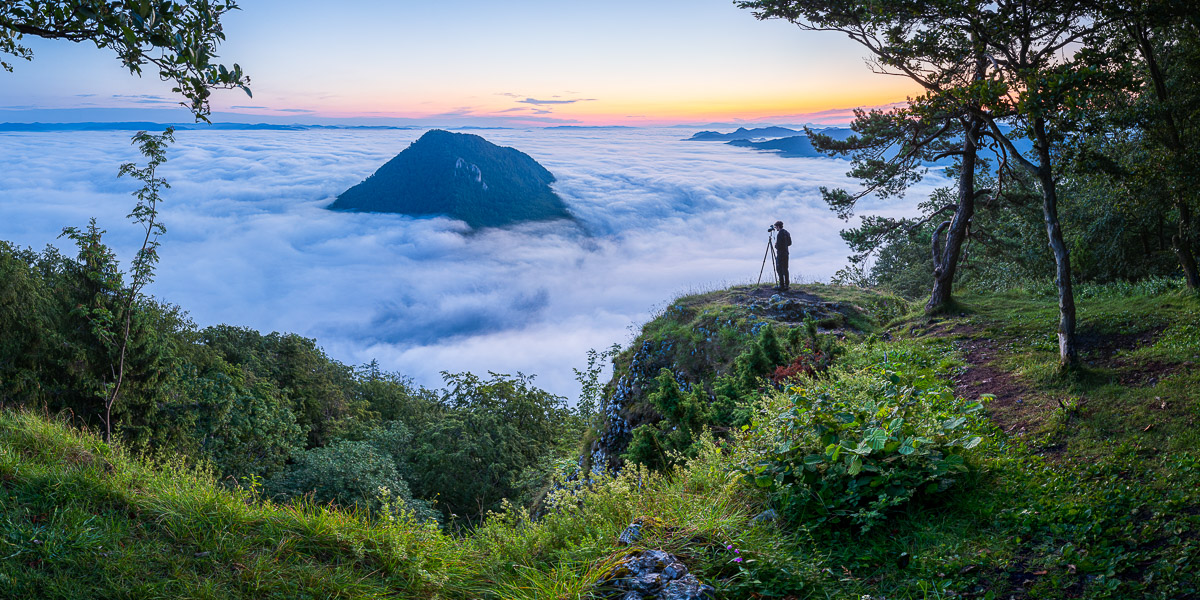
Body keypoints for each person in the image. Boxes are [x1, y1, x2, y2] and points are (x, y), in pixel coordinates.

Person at [773, 220, 791, 290]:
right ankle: (786, 284)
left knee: (779, 268)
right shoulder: (787, 233)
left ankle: (781, 285)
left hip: (780, 254)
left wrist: (775, 245)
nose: (775, 229)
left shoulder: (780, 234)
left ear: (778, 226)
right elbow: (790, 243)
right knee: (785, 269)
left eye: (776, 227)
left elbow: (779, 246)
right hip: (786, 253)